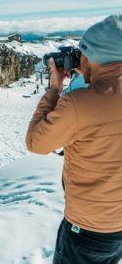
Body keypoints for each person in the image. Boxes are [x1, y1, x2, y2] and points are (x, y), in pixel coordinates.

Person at [26, 14, 122, 263]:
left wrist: (54, 90)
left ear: (95, 56)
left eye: (83, 53)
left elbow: (37, 143)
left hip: (89, 228)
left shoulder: (80, 104)